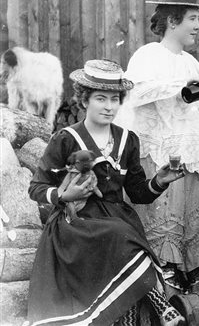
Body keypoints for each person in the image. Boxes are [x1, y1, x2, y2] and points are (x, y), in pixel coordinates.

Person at [28, 59, 185, 326]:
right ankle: (161, 305)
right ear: (84, 100)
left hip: (115, 218)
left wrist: (160, 181)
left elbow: (137, 193)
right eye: (101, 98)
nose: (109, 106)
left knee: (123, 234)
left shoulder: (127, 140)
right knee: (121, 236)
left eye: (114, 99)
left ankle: (132, 319)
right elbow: (36, 188)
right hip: (75, 222)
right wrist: (66, 196)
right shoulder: (66, 138)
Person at [114, 0, 199, 293]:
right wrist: (179, 84)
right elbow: (135, 92)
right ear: (172, 22)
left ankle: (193, 270)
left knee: (192, 213)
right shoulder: (148, 55)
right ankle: (164, 272)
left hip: (189, 153)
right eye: (192, 18)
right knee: (164, 215)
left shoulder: (191, 61)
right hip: (161, 153)